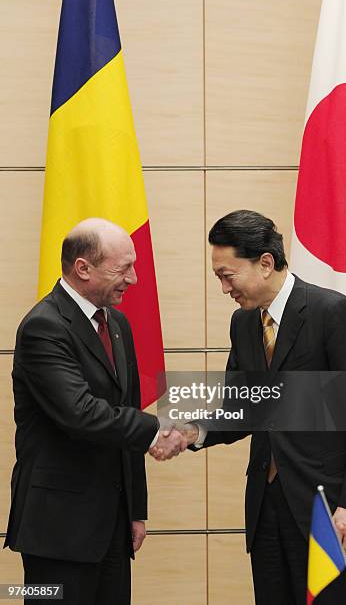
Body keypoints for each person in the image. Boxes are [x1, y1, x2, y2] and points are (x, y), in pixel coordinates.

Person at [155, 210, 346, 604]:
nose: (223, 287)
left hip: (330, 508)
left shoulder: (332, 313)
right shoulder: (243, 324)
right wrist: (191, 432)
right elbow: (244, 407)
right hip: (267, 507)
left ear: (265, 263)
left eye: (227, 275)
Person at [5, 218, 186, 605]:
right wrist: (158, 430)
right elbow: (81, 413)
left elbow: (126, 412)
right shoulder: (44, 327)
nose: (134, 279)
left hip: (113, 527)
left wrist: (136, 510)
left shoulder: (117, 323)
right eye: (123, 268)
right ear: (83, 267)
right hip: (59, 529)